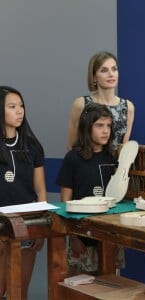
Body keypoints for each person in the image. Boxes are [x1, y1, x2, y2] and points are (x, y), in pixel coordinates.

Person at [57, 102, 117, 275]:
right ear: (86, 127)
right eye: (99, 125)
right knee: (79, 286)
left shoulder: (113, 157)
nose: (105, 130)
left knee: (109, 284)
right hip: (81, 237)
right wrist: (73, 237)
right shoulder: (73, 158)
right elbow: (65, 202)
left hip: (109, 236)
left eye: (108, 126)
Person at [0, 86, 47, 300]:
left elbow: (40, 190)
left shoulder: (33, 147)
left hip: (27, 226)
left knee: (19, 292)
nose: (19, 111)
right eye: (12, 106)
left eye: (21, 106)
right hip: (1, 226)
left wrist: (42, 225)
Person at [67, 51, 135, 150]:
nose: (111, 74)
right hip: (86, 163)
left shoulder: (128, 107)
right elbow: (71, 146)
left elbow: (124, 149)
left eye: (114, 69)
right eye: (104, 70)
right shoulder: (81, 104)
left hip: (116, 164)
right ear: (94, 76)